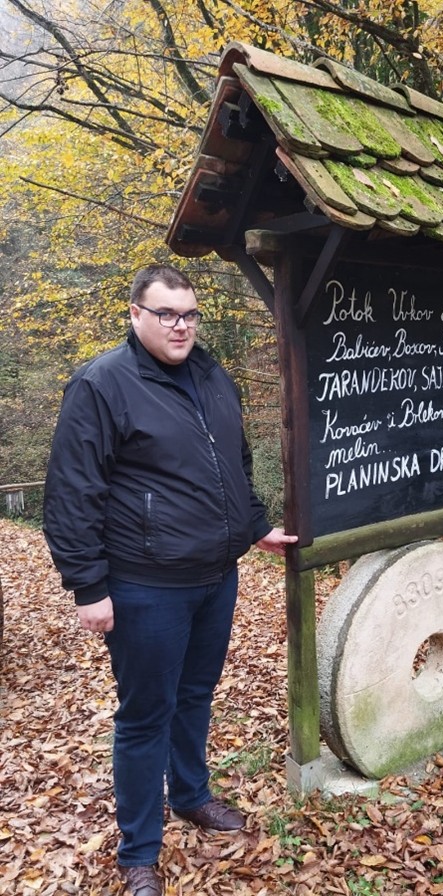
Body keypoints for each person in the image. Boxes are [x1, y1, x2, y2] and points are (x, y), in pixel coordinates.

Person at [43, 263, 297, 896]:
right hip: (144, 584)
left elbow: (233, 462)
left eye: (189, 314)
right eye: (166, 314)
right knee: (144, 715)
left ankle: (190, 794)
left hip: (215, 575)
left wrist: (252, 527)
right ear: (136, 315)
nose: (180, 326)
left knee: (195, 696)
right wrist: (88, 586)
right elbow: (72, 493)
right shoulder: (102, 385)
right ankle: (138, 853)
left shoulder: (213, 375)